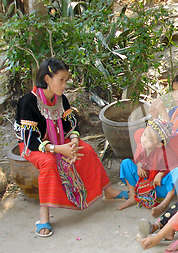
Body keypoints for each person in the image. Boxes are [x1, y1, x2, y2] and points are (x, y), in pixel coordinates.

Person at [14, 57, 124, 237]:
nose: (64, 85)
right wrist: (57, 149)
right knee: (48, 163)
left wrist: (73, 139)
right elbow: (29, 138)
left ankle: (108, 191)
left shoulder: (61, 99)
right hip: (35, 146)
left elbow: (70, 125)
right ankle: (44, 216)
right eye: (61, 80)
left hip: (60, 141)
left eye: (66, 80)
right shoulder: (28, 102)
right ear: (47, 79)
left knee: (86, 150)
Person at [118, 119, 178, 217]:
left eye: (149, 139)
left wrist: (161, 174)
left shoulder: (164, 152)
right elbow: (138, 160)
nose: (144, 139)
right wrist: (139, 166)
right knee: (126, 163)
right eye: (144, 134)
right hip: (145, 182)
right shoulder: (143, 148)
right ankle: (133, 196)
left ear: (159, 144)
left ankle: (164, 204)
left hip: (160, 187)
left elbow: (173, 166)